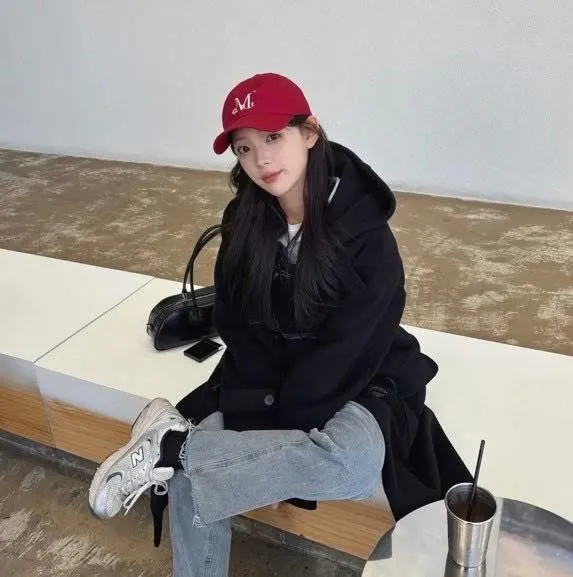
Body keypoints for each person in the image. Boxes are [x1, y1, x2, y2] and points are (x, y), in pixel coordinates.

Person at [88, 72, 471, 576]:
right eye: (245, 148)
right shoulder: (243, 221)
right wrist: (267, 452)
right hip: (268, 373)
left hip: (360, 375)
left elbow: (350, 347)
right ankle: (174, 458)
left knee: (352, 464)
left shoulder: (366, 230)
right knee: (188, 474)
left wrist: (275, 455)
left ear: (309, 131)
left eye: (273, 137)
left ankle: (172, 447)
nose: (262, 160)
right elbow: (238, 327)